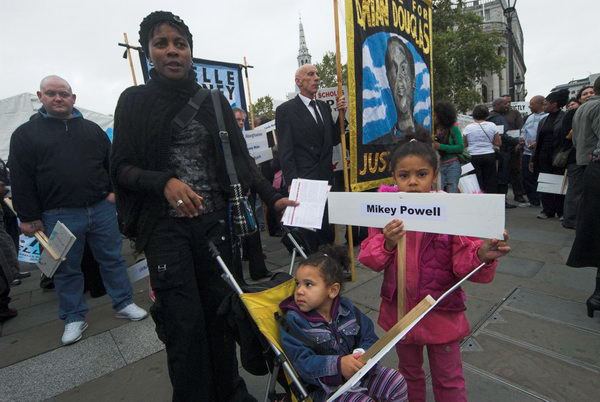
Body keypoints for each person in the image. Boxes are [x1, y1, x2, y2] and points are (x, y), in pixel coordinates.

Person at [111, 11, 296, 401]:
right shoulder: (134, 101)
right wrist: (163, 181)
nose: (173, 51)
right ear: (149, 53)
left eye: (180, 44)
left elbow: (243, 162)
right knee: (184, 325)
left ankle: (230, 393)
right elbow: (121, 168)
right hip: (165, 232)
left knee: (223, 316)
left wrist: (272, 197)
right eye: (162, 44)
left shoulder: (214, 101)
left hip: (217, 228)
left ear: (191, 52)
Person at [358, 131, 511, 401]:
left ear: (434, 174)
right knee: (408, 374)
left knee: (449, 377)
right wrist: (388, 243)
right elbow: (370, 260)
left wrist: (482, 254)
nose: (413, 182)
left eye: (421, 174)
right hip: (401, 311)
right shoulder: (384, 212)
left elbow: (464, 258)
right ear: (394, 176)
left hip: (441, 309)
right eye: (404, 175)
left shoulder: (450, 210)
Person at [9, 75, 147, 346]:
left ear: (73, 98)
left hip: (100, 209)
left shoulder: (92, 130)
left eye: (64, 93)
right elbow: (21, 177)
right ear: (41, 97)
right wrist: (28, 217)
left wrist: (112, 191)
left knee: (113, 259)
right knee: (66, 269)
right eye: (51, 93)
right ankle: (73, 316)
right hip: (57, 214)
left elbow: (111, 163)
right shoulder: (25, 134)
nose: (58, 98)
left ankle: (123, 303)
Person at [279, 245, 408, 402]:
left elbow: (369, 337)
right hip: (324, 388)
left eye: (308, 284)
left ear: (333, 290)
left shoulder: (347, 310)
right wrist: (338, 365)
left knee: (396, 381)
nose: (299, 291)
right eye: (297, 283)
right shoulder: (295, 321)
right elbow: (302, 363)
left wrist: (364, 354)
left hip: (359, 374)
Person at [275, 64, 345, 248]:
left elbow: (334, 139)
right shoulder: (286, 110)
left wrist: (341, 115)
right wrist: (291, 181)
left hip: (326, 177)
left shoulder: (323, 107)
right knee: (310, 230)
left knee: (328, 226)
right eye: (311, 74)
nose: (317, 78)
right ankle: (315, 265)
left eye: (317, 74)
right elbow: (285, 148)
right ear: (298, 81)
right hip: (305, 179)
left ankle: (329, 265)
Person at [567, 76, 600, 318]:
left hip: (586, 161)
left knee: (582, 203)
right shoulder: (596, 107)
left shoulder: (583, 108)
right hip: (593, 162)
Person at [232, 107, 271, 280]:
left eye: (242, 120)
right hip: (233, 193)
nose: (240, 123)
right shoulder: (226, 138)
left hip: (247, 188)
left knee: (252, 229)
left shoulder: (241, 137)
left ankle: (257, 268)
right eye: (237, 119)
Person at [530, 89, 569, 219]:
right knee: (545, 184)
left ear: (554, 104)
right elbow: (538, 140)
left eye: (546, 103)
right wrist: (533, 158)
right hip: (543, 156)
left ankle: (561, 211)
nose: (544, 106)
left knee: (559, 184)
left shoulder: (565, 117)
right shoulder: (544, 120)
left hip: (558, 156)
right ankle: (547, 210)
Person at [561, 86, 595, 229]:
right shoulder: (574, 113)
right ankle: (571, 219)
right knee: (575, 190)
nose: (588, 95)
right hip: (577, 157)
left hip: (587, 156)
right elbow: (567, 136)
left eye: (591, 93)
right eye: (585, 93)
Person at [487, 98, 521, 208]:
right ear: (497, 105)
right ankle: (502, 201)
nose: (507, 106)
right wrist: (517, 141)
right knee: (503, 177)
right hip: (502, 152)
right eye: (504, 104)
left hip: (491, 152)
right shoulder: (498, 119)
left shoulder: (488, 118)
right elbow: (503, 136)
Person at [462, 104, 501, 194]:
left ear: (474, 114)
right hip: (489, 155)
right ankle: (490, 201)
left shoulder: (468, 127)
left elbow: (464, 144)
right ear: (487, 114)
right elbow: (498, 143)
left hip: (473, 156)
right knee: (490, 180)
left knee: (475, 181)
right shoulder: (492, 126)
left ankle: (478, 201)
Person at [520, 96, 547, 208]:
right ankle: (533, 201)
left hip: (540, 154)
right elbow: (524, 130)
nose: (530, 106)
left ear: (541, 104)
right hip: (527, 153)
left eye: (532, 104)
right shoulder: (529, 117)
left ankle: (545, 202)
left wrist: (537, 144)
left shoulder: (547, 116)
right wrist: (521, 139)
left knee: (541, 178)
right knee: (527, 177)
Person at [386, 36, 416, 135]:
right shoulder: (380, 143)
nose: (399, 79)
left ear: (413, 81)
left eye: (403, 69)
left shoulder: (426, 136)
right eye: (394, 69)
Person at [433, 101, 463, 193]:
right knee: (438, 191)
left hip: (452, 165)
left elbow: (460, 147)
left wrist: (440, 146)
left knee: (452, 192)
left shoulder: (453, 128)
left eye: (435, 115)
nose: (433, 117)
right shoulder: (432, 128)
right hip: (437, 166)